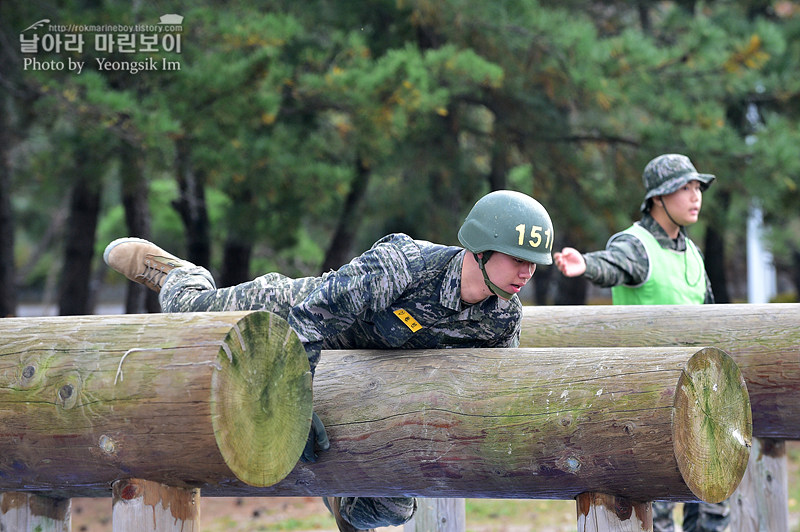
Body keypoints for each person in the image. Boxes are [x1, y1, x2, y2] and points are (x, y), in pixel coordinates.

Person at [103, 189, 554, 532]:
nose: (527, 272)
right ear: (480, 248)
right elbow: (310, 320)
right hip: (301, 310)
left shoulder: (501, 317)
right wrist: (293, 408)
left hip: (371, 371)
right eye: (517, 259)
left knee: (384, 510)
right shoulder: (403, 264)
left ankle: (340, 499)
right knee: (192, 315)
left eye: (534, 264)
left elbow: (494, 391)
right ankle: (179, 275)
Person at [553, 153, 727, 532]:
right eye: (685, 187)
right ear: (658, 198)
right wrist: (584, 264)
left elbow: (713, 320)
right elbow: (611, 264)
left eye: (698, 187)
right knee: (657, 518)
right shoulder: (636, 244)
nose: (696, 196)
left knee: (713, 512)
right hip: (650, 405)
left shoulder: (693, 253)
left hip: (701, 404)